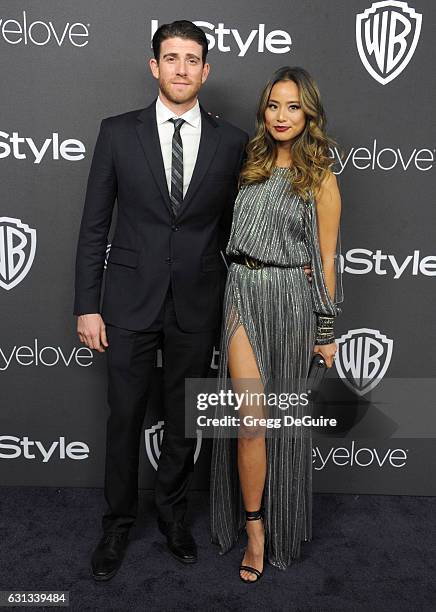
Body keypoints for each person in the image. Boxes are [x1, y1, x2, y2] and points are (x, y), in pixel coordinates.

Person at [74, 20, 249, 581]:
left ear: (206, 70)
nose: (180, 68)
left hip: (198, 303)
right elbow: (94, 226)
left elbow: (234, 230)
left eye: (191, 59)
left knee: (183, 420)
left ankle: (174, 517)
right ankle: (118, 523)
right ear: (154, 66)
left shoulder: (232, 140)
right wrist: (87, 304)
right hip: (126, 301)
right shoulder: (117, 132)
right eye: (170, 58)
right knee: (124, 416)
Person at [210, 66, 344, 582]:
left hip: (289, 301)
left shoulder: (321, 176)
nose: (282, 116)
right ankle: (254, 527)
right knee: (250, 423)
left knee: (280, 427)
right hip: (241, 291)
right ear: (262, 110)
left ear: (308, 113)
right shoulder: (249, 162)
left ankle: (279, 523)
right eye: (273, 105)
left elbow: (328, 260)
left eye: (293, 107)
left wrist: (327, 330)